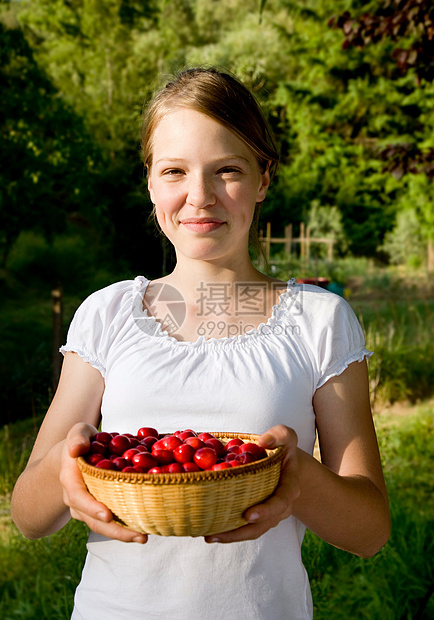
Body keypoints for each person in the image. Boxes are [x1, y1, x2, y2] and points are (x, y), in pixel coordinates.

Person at [11, 67, 390, 620]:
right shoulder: (108, 314)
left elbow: (370, 531)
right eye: (174, 171)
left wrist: (299, 480)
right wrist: (65, 474)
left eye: (228, 171)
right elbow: (27, 514)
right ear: (149, 183)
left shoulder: (319, 321)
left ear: (264, 178)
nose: (200, 196)